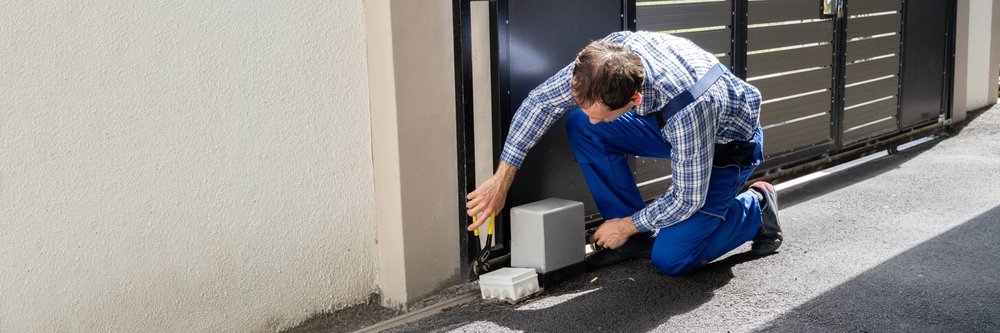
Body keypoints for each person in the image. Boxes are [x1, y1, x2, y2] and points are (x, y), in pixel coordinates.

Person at [465, 31, 782, 276]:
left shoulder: (688, 106)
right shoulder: (603, 64)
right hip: (675, 129)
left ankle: (757, 208)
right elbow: (540, 103)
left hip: (727, 148)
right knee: (580, 126)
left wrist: (626, 225)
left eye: (602, 115)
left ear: (634, 99)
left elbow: (688, 198)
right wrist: (502, 179)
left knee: (672, 260)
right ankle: (635, 239)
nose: (594, 119)